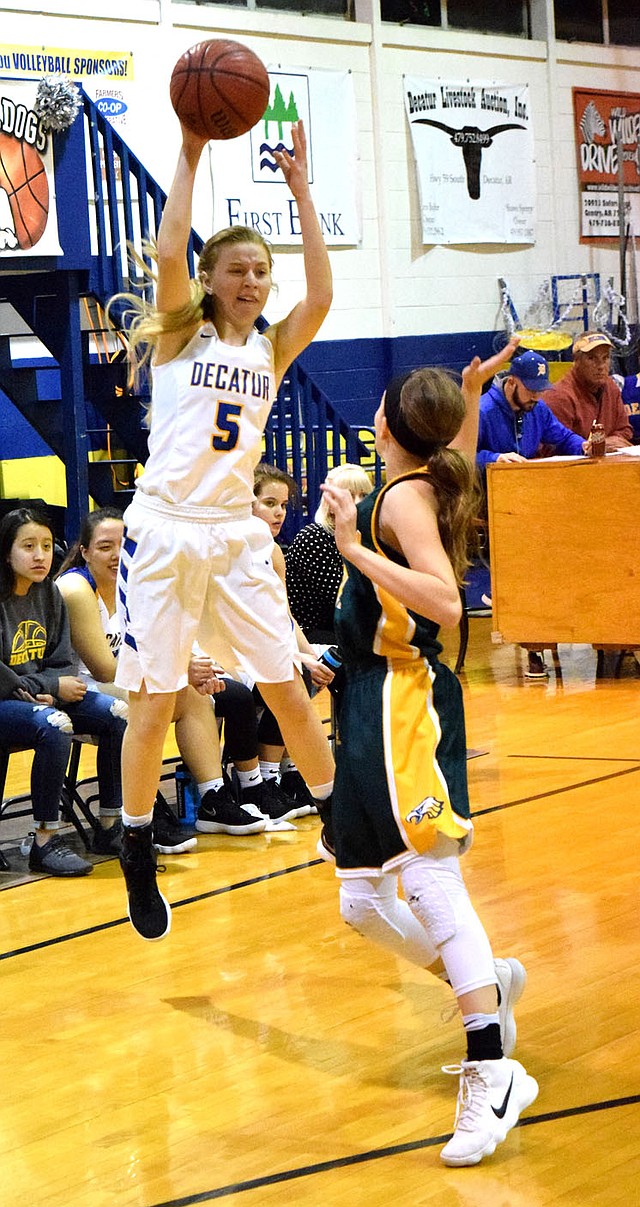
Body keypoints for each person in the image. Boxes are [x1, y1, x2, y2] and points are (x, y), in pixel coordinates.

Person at [109, 119, 335, 940]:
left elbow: (321, 296)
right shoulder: (181, 333)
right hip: (166, 530)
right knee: (155, 702)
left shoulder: (273, 348)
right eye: (236, 268)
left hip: (236, 533)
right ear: (209, 279)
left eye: (259, 271)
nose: (251, 280)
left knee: (289, 684)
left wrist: (303, 192)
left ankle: (342, 819)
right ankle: (137, 843)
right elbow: (168, 255)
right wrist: (191, 149)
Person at [319, 337, 539, 1168]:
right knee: (359, 899)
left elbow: (445, 600)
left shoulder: (401, 499)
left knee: (432, 877)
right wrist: (474, 391)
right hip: (370, 698)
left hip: (406, 697)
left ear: (385, 421)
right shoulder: (436, 473)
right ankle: (478, 977)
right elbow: (460, 449)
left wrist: (351, 549)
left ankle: (493, 1072)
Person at [56, 508, 266, 854]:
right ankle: (143, 812)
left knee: (194, 695)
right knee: (171, 691)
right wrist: (179, 671)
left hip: (129, 682)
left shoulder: (136, 583)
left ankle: (213, 797)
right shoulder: (77, 588)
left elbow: (158, 645)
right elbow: (106, 669)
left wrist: (186, 666)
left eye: (123, 545)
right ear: (85, 552)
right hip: (85, 690)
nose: (116, 555)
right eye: (105, 546)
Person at [0, 506, 127, 877]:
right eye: (28, 546)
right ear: (7, 552)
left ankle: (110, 824)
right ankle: (45, 839)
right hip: (9, 700)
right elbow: (4, 678)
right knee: (54, 726)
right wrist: (48, 688)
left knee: (116, 714)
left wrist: (52, 688)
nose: (40, 555)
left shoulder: (50, 594)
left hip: (40, 696)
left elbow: (61, 660)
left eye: (46, 545)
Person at [251, 462, 334, 815]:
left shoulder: (273, 552)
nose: (279, 512)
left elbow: (284, 617)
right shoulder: (226, 550)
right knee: (286, 672)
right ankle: (264, 777)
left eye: (284, 505)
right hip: (230, 652)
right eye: (270, 503)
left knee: (321, 664)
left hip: (269, 644)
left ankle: (291, 769)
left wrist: (308, 655)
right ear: (246, 502)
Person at [285, 463, 373, 642]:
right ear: (330, 503)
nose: (357, 502)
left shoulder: (366, 536)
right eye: (348, 495)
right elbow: (342, 601)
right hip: (309, 633)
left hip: (345, 630)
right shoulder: (313, 538)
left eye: (364, 495)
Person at [476, 349, 586, 470]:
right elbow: (463, 456)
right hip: (489, 485)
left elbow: (564, 438)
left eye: (540, 390)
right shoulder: (482, 411)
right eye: (531, 390)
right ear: (511, 382)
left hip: (526, 481)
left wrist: (583, 446)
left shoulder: (538, 408)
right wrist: (494, 458)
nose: (536, 397)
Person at [545, 331, 633, 451]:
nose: (600, 365)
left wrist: (606, 444)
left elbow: (625, 430)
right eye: (591, 358)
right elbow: (553, 447)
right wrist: (598, 446)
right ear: (576, 361)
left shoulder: (611, 387)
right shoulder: (559, 396)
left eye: (605, 357)